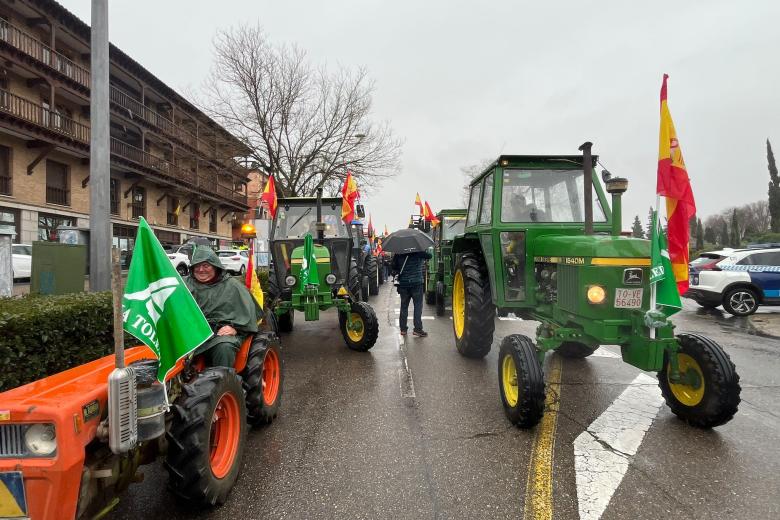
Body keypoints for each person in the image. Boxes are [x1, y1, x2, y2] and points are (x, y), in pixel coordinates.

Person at [186, 246, 262, 367]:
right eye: (197, 265)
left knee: (224, 346)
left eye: (206, 266)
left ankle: (224, 381)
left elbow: (248, 315)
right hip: (190, 333)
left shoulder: (233, 286)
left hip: (219, 334)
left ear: (215, 266)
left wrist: (235, 328)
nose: (201, 270)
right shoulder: (184, 285)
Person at [391, 249, 432, 337]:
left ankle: (403, 330)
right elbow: (430, 256)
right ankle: (417, 329)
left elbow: (393, 266)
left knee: (404, 306)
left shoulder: (399, 252)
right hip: (417, 283)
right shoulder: (418, 252)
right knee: (417, 306)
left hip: (404, 284)